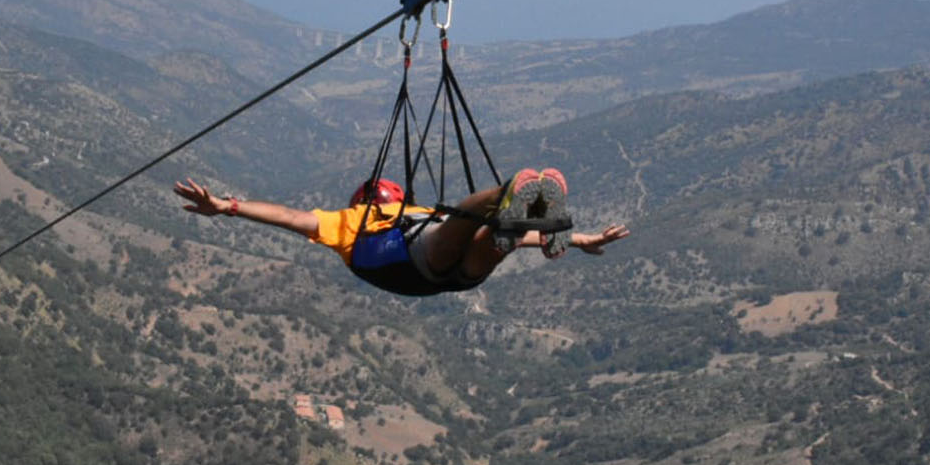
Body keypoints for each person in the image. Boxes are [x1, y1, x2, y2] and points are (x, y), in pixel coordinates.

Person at [172, 168, 630, 298]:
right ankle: (513, 190)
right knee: (465, 221)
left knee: (493, 237)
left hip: (439, 274)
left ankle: (520, 211)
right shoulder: (348, 223)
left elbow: (291, 217)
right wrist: (229, 207)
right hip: (414, 260)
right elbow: (289, 217)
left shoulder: (409, 213)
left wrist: (580, 239)